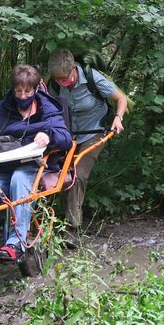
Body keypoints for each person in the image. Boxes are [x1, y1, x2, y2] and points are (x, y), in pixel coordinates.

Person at [0, 64, 72, 267]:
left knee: (19, 179)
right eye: (18, 91)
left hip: (32, 165)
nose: (22, 96)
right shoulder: (0, 110)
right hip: (3, 164)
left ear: (36, 89)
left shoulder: (48, 109)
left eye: (27, 91)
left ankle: (16, 242)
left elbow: (65, 138)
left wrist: (48, 135)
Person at [47, 48, 127, 240]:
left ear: (74, 69)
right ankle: (57, 223)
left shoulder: (92, 78)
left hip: (94, 133)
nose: (62, 83)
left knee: (77, 173)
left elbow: (121, 98)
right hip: (67, 137)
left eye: (65, 79)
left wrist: (118, 118)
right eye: (59, 80)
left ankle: (71, 229)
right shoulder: (55, 85)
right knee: (60, 175)